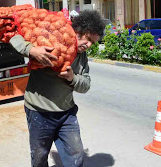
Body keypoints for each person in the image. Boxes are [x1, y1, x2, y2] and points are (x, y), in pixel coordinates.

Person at [10, 10, 105, 167]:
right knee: (39, 159)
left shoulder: (81, 57)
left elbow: (86, 84)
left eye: (92, 43)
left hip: (66, 114)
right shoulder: (51, 37)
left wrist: (72, 78)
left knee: (76, 157)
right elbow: (14, 38)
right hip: (38, 112)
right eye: (87, 39)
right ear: (77, 31)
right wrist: (31, 50)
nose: (88, 45)